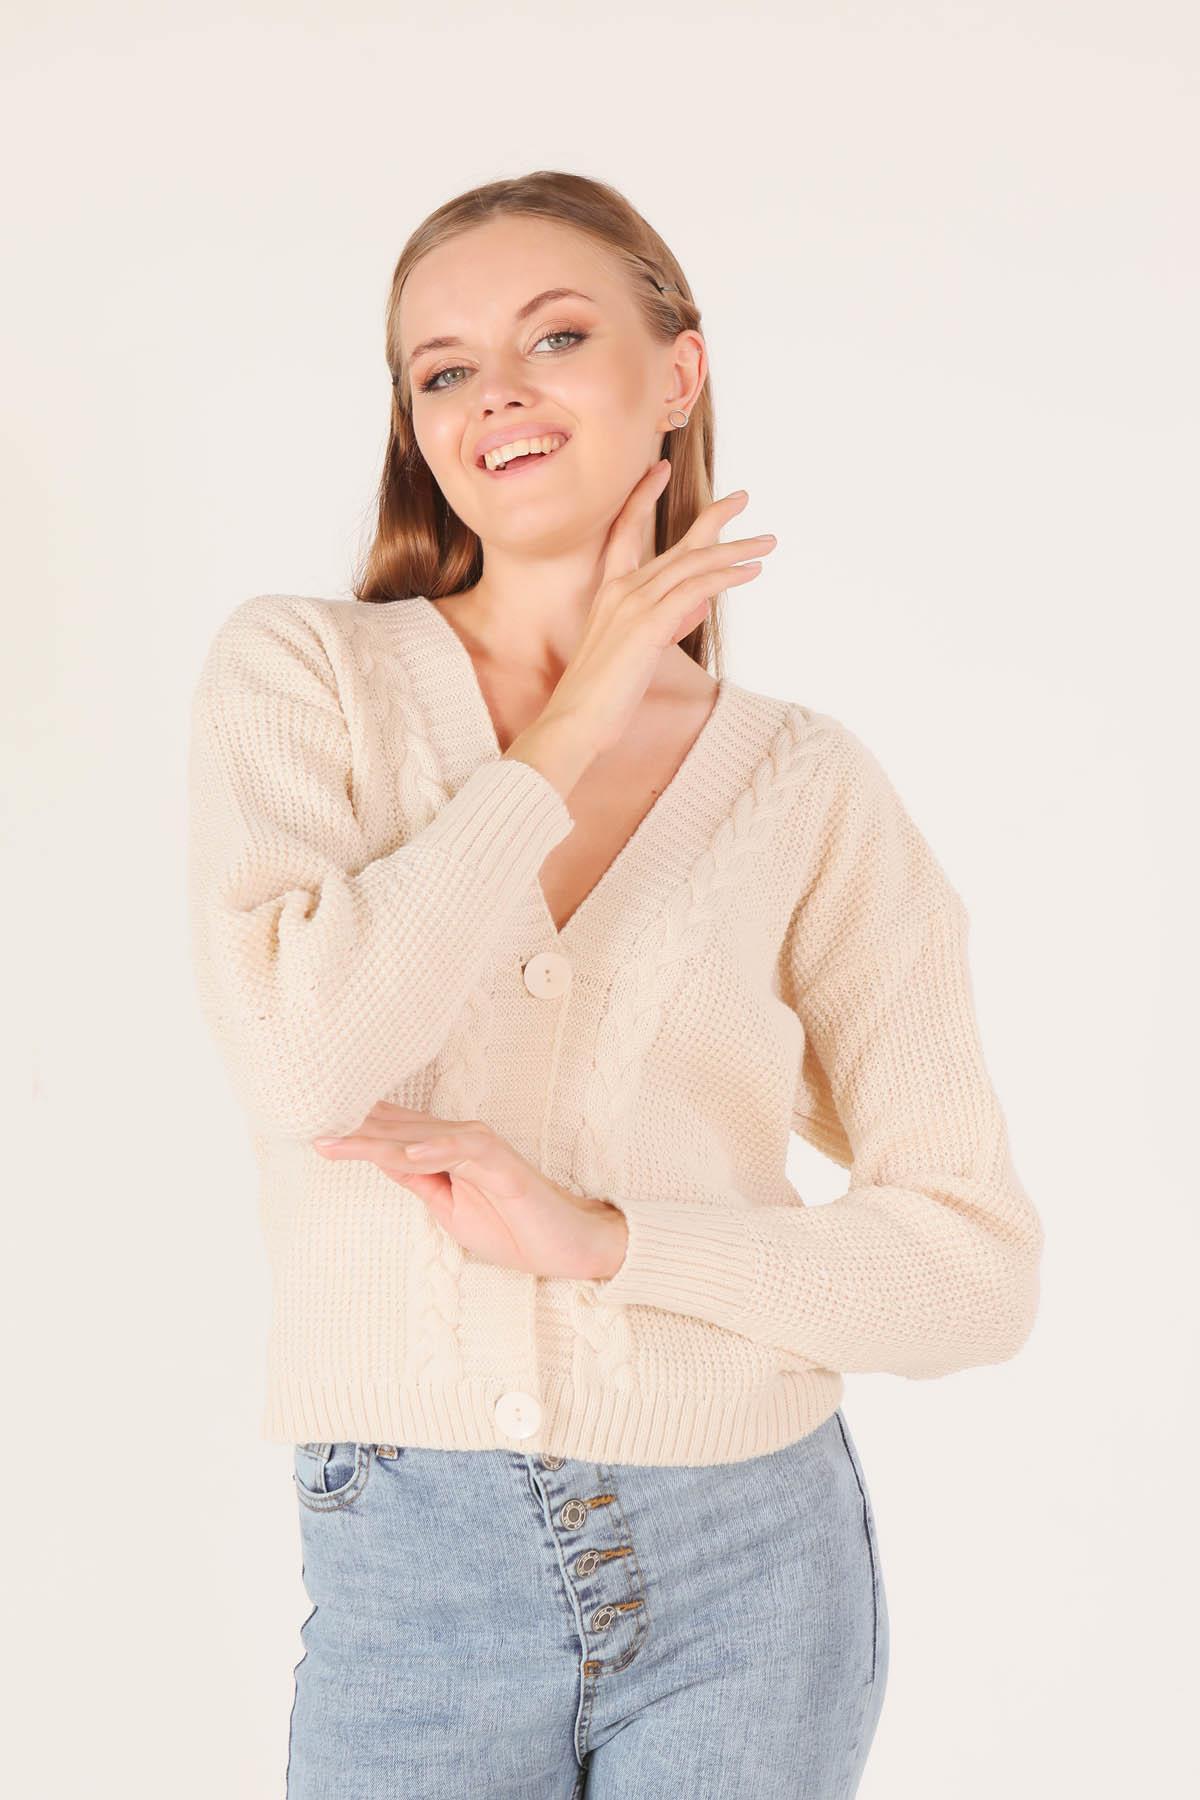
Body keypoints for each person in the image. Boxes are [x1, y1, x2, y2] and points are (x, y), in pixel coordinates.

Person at [186, 170, 1044, 1799]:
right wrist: (579, 716)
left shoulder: (805, 786)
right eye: (443, 369)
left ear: (677, 375)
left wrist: (612, 1244)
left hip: (752, 1563)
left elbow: (974, 1270)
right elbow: (303, 1068)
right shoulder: (305, 677)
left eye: (557, 336)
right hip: (414, 1571)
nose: (495, 392)